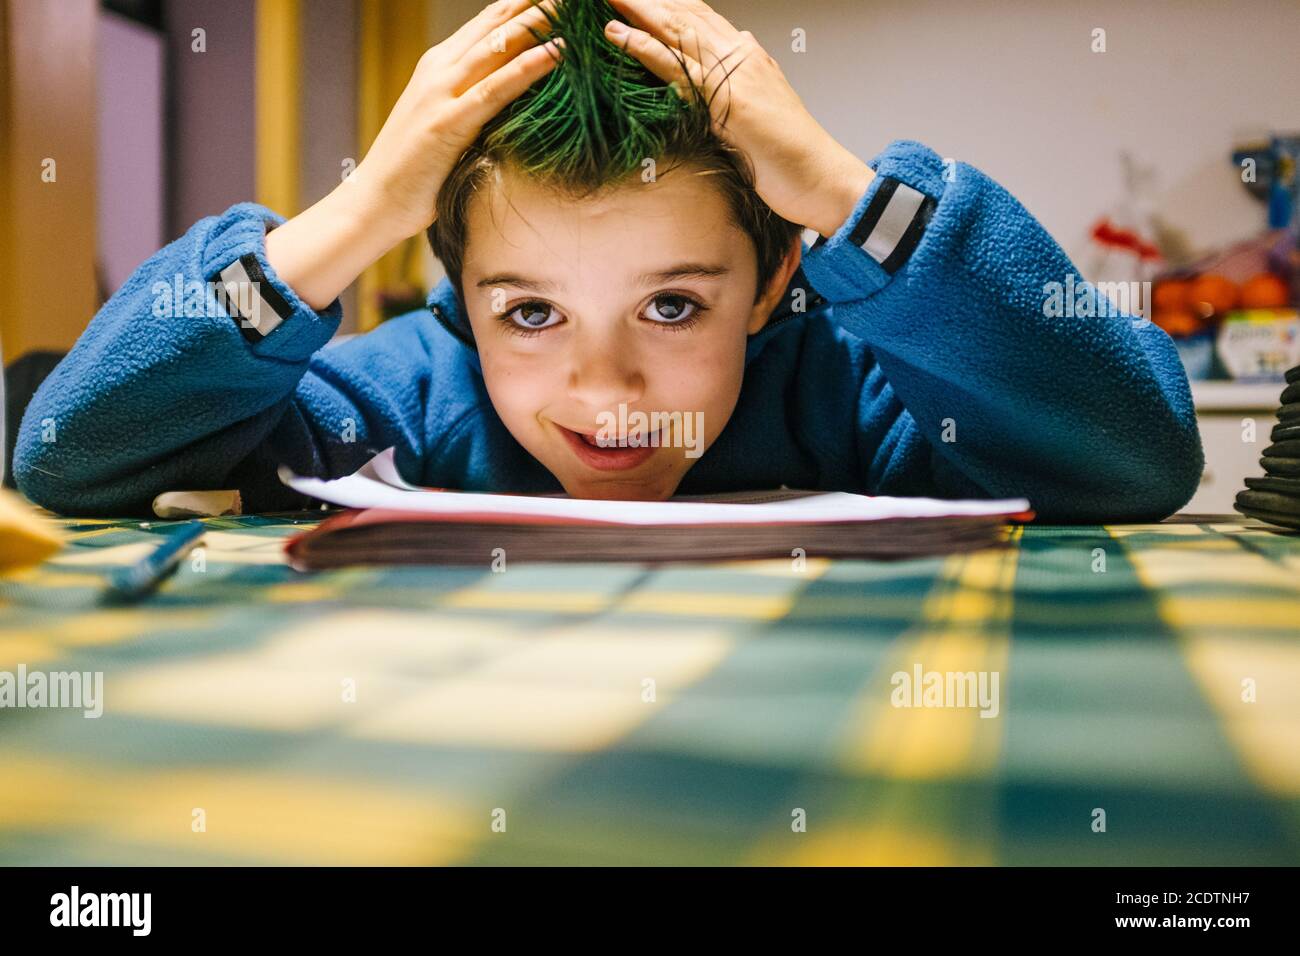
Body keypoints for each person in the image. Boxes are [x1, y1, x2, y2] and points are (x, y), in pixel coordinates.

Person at [14, 0, 1203, 521]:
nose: (605, 391)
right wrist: (359, 209)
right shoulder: (406, 395)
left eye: (675, 303)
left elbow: (1137, 455)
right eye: (529, 312)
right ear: (456, 297)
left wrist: (851, 196)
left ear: (777, 279)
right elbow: (70, 456)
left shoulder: (850, 386)